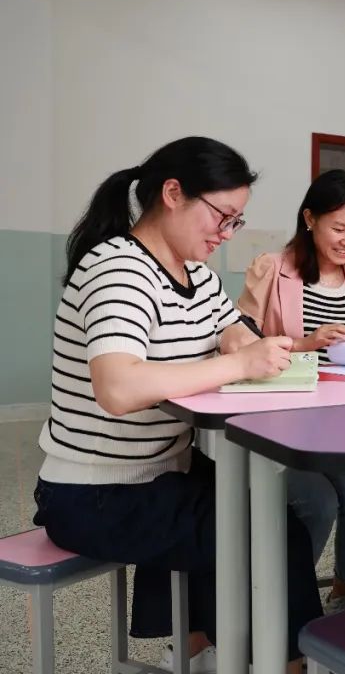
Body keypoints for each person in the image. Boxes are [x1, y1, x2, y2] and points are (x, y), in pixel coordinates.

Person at [32, 137, 323, 674]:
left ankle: (205, 645)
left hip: (159, 472)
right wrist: (240, 363)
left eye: (236, 221)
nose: (226, 233)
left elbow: (230, 329)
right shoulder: (119, 269)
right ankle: (281, 661)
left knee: (259, 501)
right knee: (273, 532)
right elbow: (118, 388)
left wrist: (245, 343)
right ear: (172, 194)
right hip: (94, 493)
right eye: (222, 216)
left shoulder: (197, 274)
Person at [235, 169, 345, 612]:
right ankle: (285, 602)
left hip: (342, 420)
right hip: (279, 420)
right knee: (316, 502)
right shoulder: (271, 269)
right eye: (339, 228)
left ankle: (344, 595)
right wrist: (305, 344)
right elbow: (239, 343)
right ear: (309, 219)